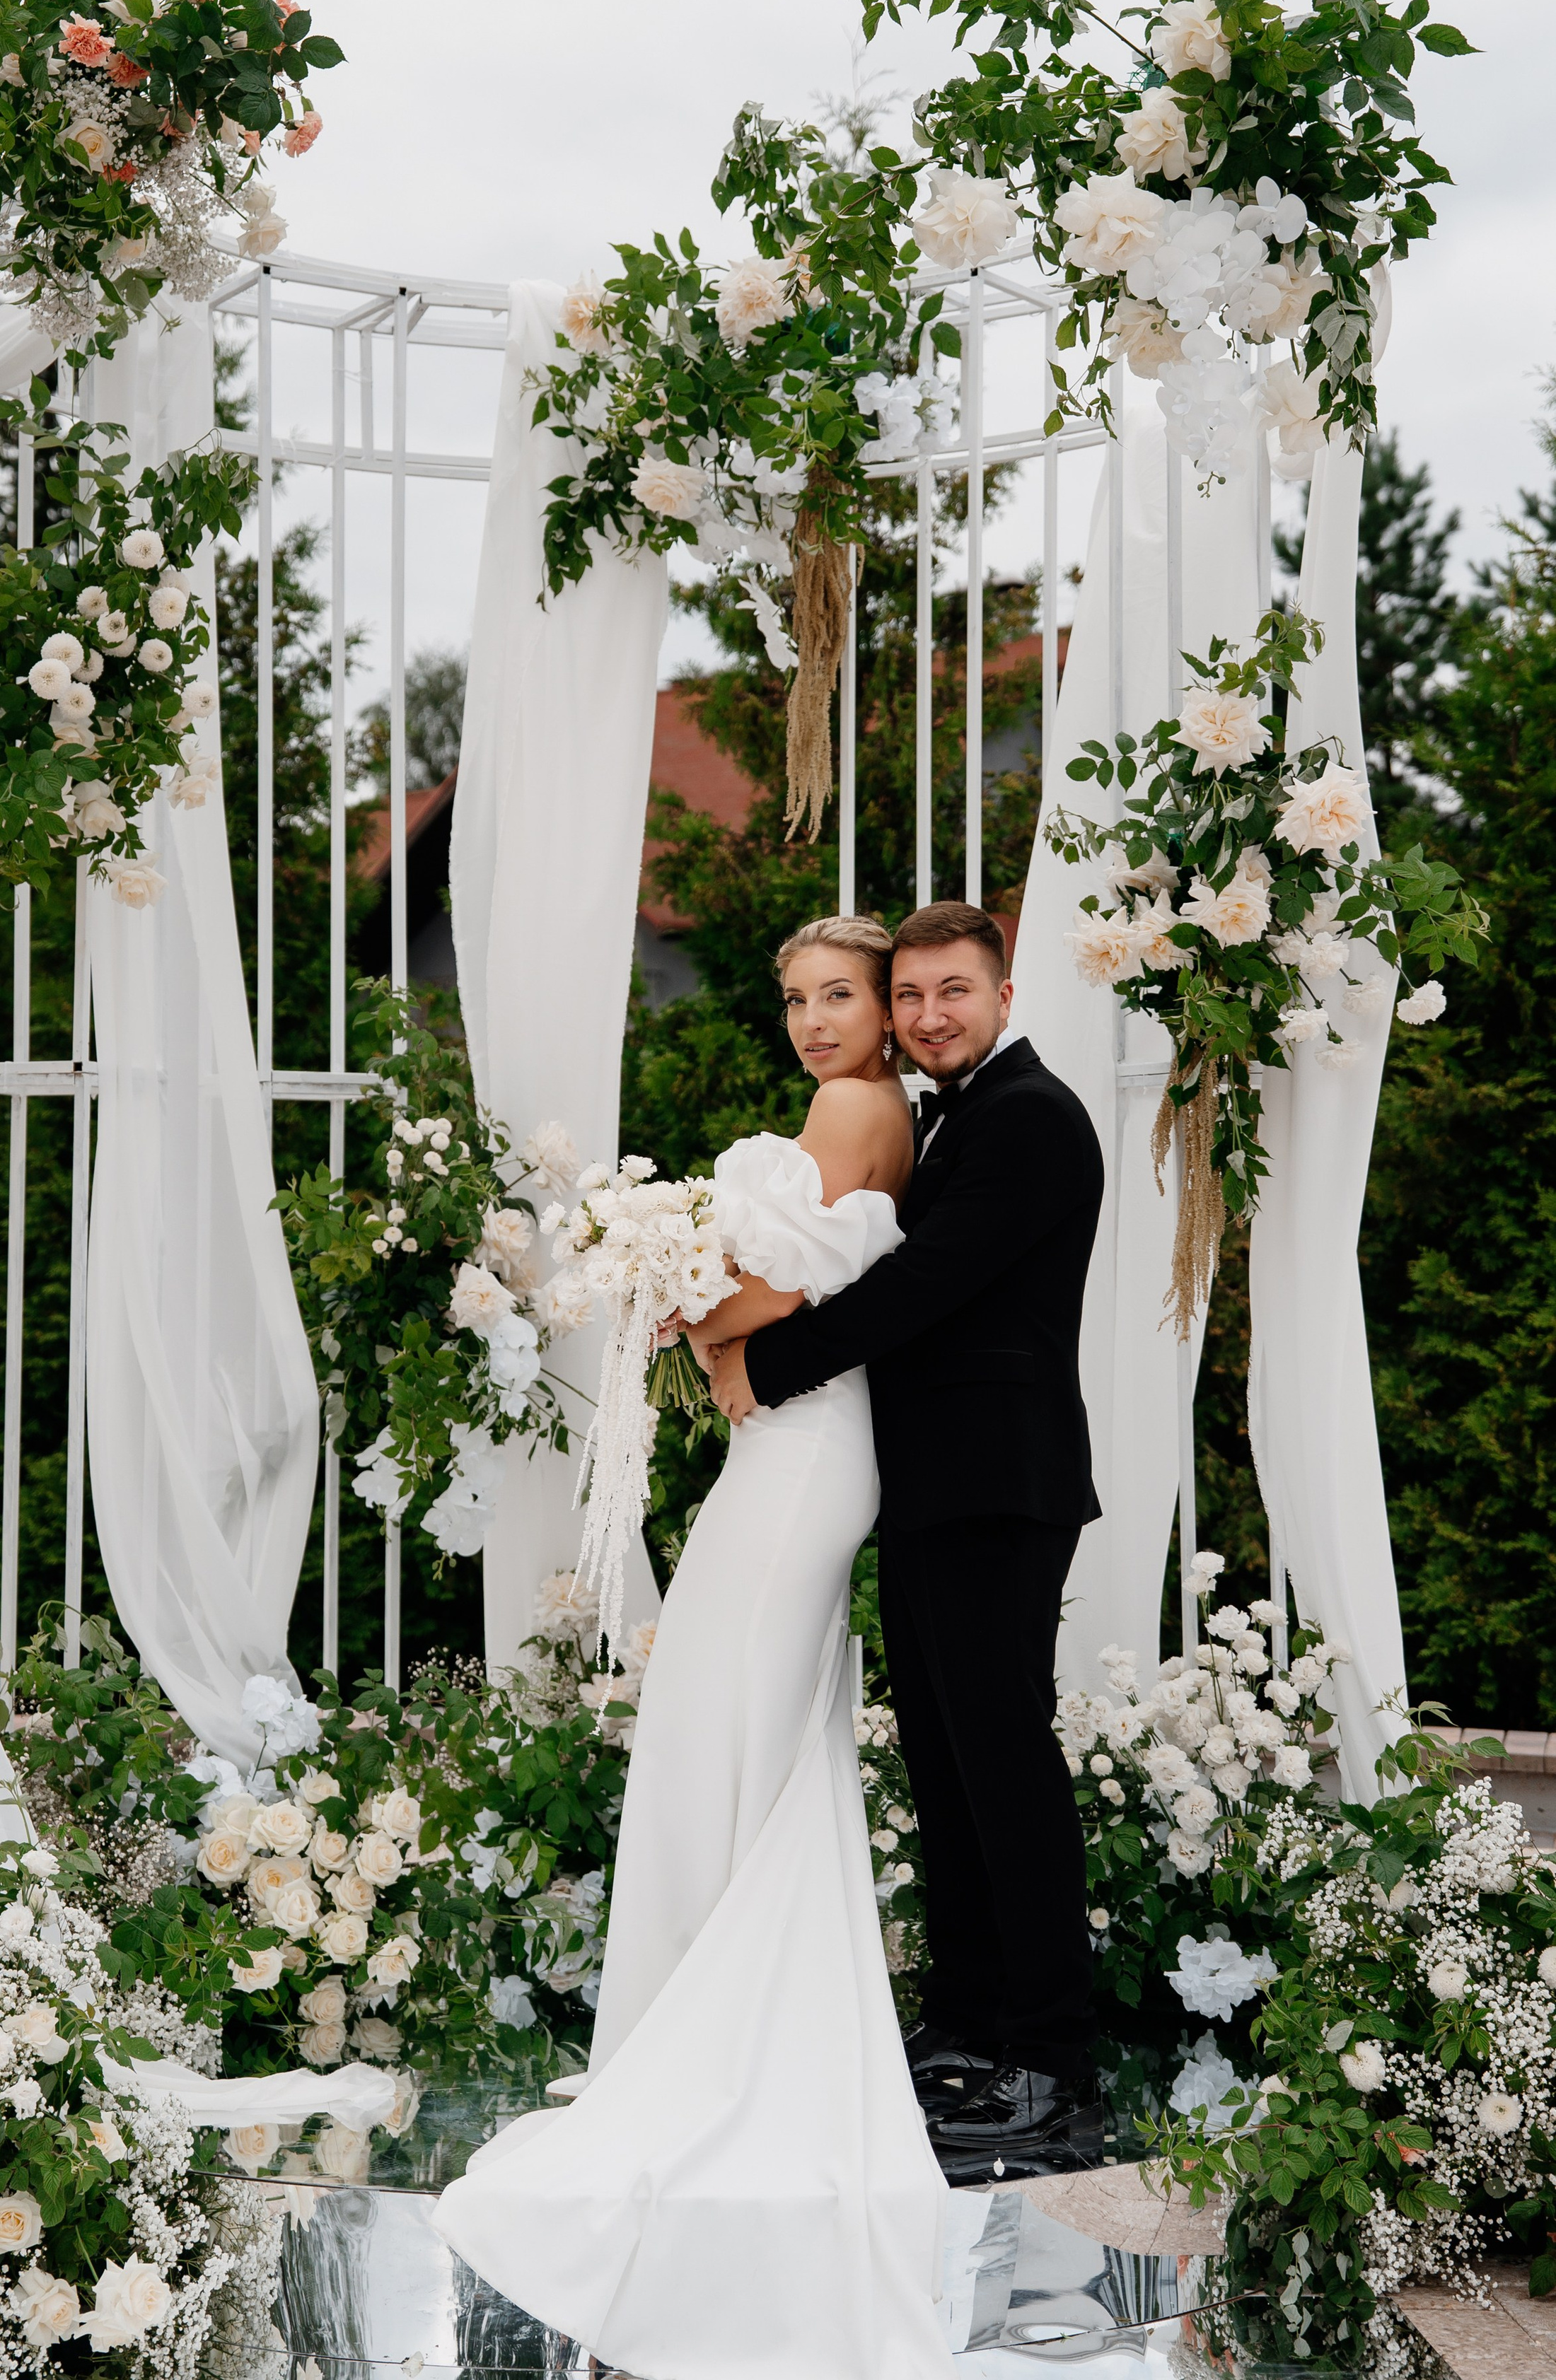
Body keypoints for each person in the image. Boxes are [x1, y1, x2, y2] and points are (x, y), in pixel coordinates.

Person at [434, 916, 957, 2380]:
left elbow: (780, 1297)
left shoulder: (854, 1110)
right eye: (795, 999)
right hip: (793, 1446)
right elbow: (776, 1299)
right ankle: (697, 2028)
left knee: (724, 1724)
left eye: (839, 995)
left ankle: (711, 2045)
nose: (814, 1020)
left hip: (802, 1457)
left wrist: (687, 1307)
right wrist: (698, 1313)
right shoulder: (857, 1105)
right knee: (733, 1728)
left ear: (882, 1009)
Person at [705, 899, 1106, 2173]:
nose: (932, 1016)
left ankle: (1049, 2065)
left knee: (1005, 1766)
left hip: (1001, 1486)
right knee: (943, 1765)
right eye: (915, 995)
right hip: (932, 1484)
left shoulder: (1031, 1119)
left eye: (955, 992)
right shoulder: (949, 1114)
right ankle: (971, 2023)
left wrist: (767, 1365)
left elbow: (921, 1288)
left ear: (1002, 994)